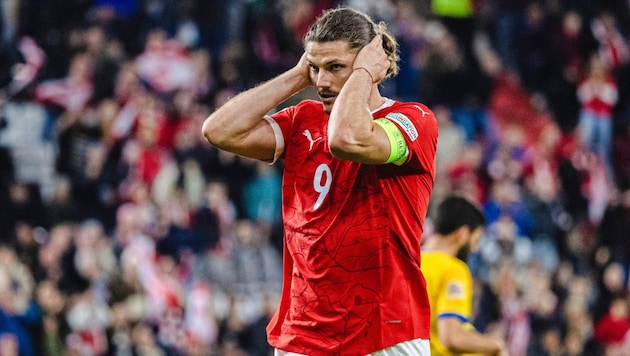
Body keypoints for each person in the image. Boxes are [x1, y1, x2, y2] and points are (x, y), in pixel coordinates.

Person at [202, 6, 438, 355]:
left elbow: (347, 139)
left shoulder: (412, 120)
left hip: (384, 331)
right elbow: (219, 131)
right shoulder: (302, 119)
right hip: (304, 333)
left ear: (368, 64)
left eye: (335, 67)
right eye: (316, 67)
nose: (323, 81)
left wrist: (361, 74)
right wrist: (298, 75)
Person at [421, 195, 509, 355]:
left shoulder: (410, 262)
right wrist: (495, 345)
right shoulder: (453, 269)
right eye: (475, 241)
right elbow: (451, 337)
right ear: (462, 233)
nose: (474, 249)